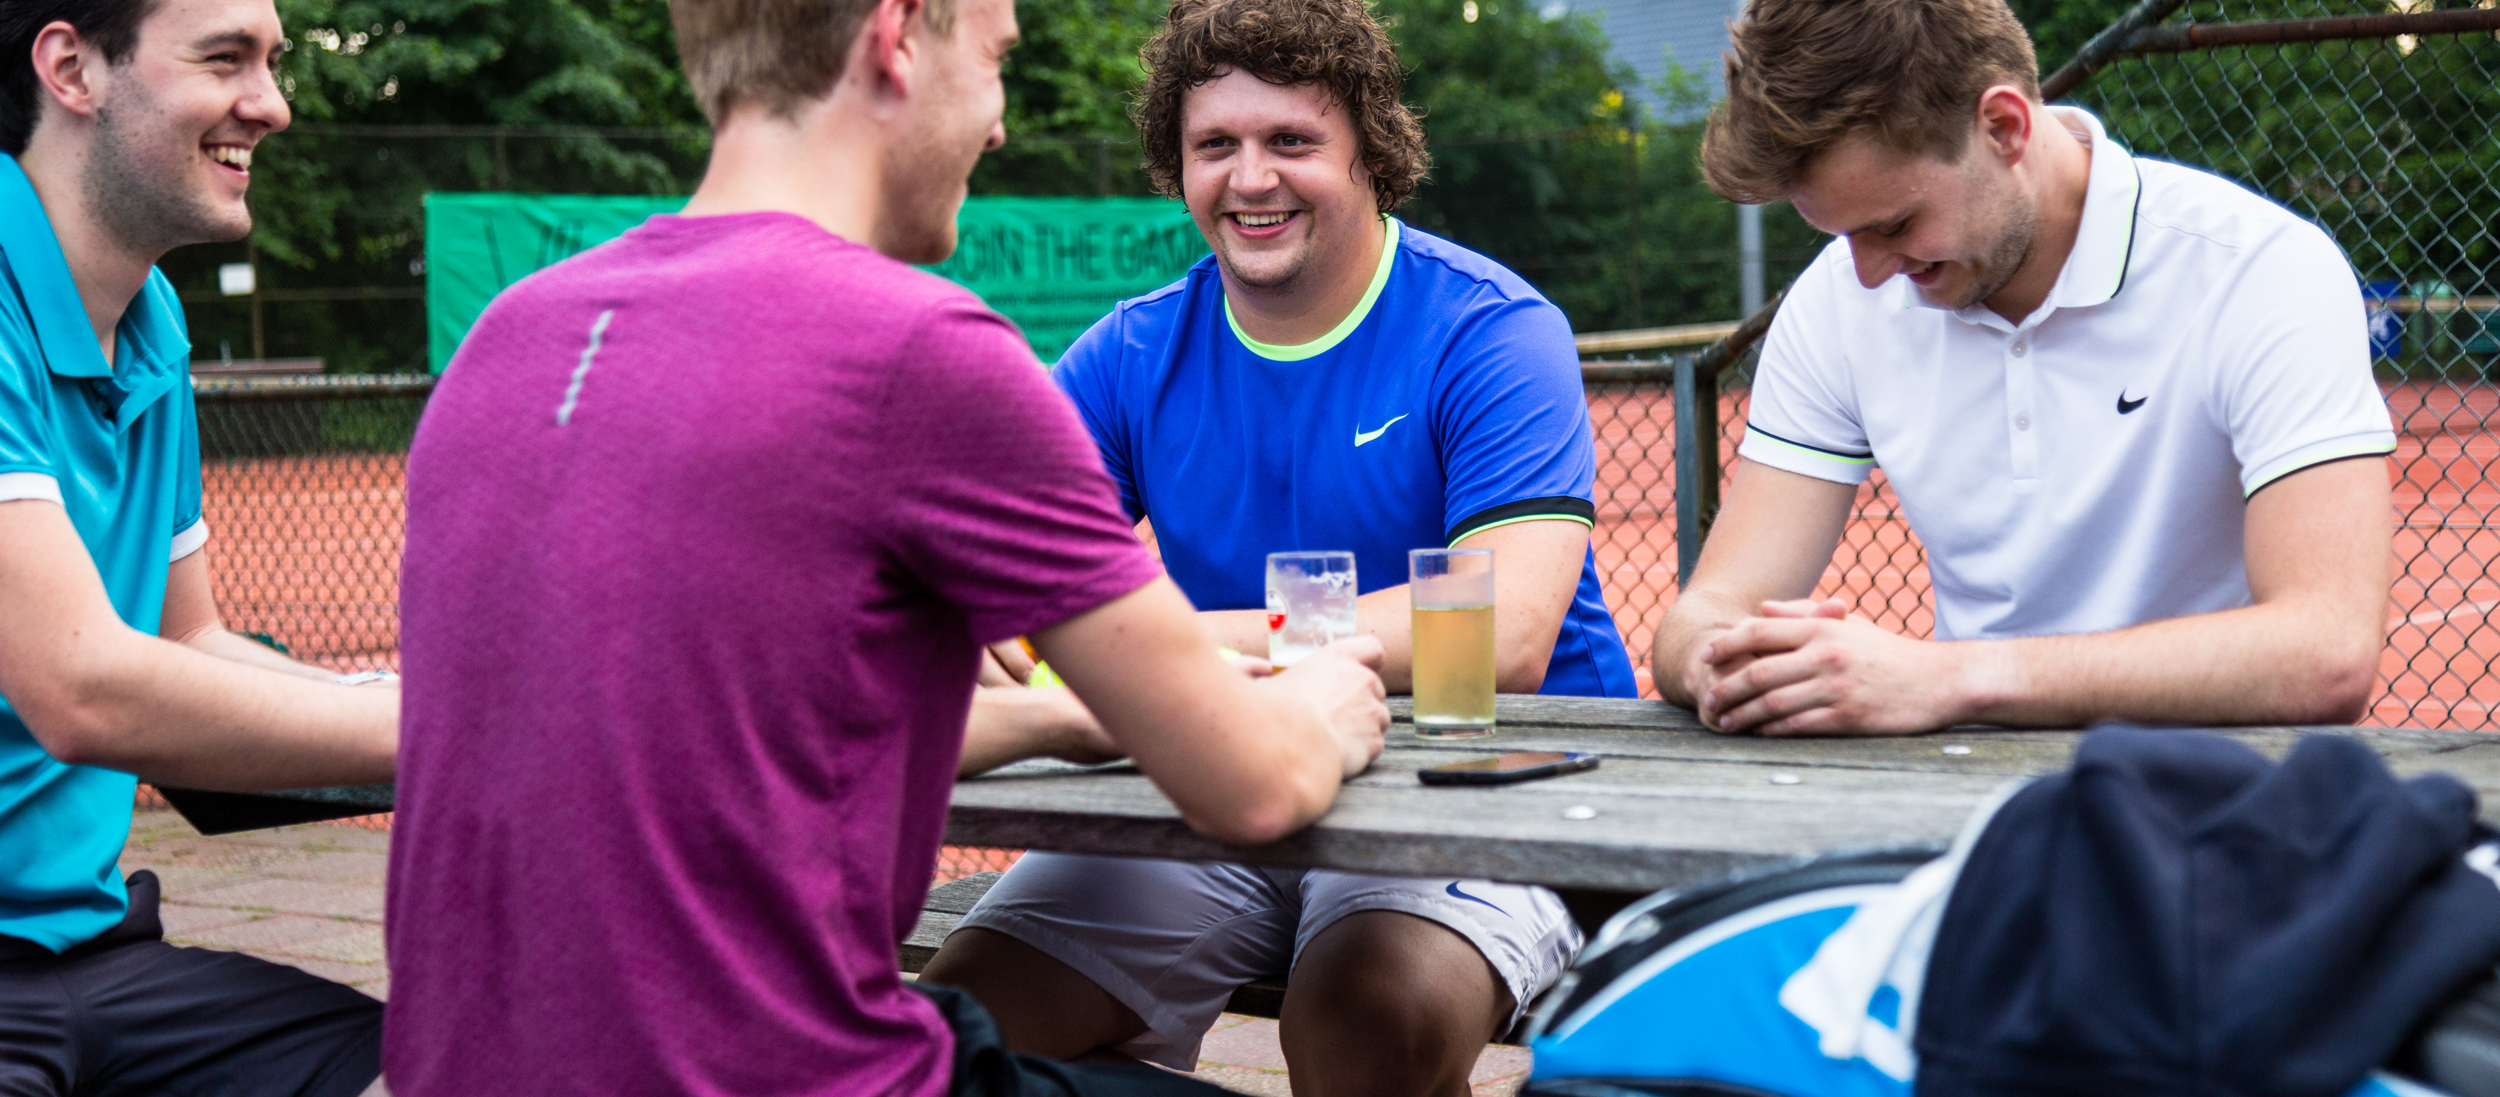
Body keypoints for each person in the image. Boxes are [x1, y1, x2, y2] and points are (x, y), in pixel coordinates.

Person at [379, 0, 1391, 1089]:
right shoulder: (919, 351)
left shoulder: (510, 333)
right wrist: (1318, 703)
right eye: (995, 60)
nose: (998, 122)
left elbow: (731, 736)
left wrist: (1052, 717)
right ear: (897, 37)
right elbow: (1255, 789)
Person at [921, 0, 1635, 1091]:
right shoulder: (1128, 352)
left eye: (1291, 140)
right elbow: (995, 601)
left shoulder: (1491, 328)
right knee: (958, 1029)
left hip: (1476, 780)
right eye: (1215, 144)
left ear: (1369, 152)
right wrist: (1059, 639)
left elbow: (1500, 632)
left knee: (1363, 1023)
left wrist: (1176, 645)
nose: (1250, 179)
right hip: (1225, 769)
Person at [1650, 0, 2396, 737]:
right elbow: (1706, 610)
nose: (1870, 272)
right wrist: (1728, 665)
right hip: (1966, 779)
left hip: (2220, 783)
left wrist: (1948, 678)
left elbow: (2325, 648)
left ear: (2004, 127)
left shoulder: (2260, 269)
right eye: (1842, 235)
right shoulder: (1837, 299)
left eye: (1895, 225)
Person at [0, 0, 401, 1093]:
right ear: (72, 69)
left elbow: (188, 640)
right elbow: (80, 687)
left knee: (471, 1065)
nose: (272, 105)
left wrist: (419, 699)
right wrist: (452, 727)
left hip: (91, 959)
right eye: (226, 59)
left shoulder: (151, 317)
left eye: (271, 61)